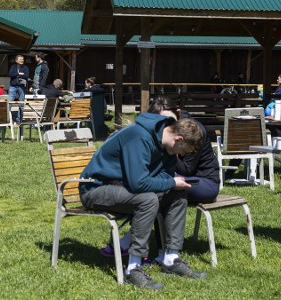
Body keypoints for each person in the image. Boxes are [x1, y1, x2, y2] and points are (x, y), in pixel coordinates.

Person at [79, 113, 207, 290]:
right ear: (178, 139)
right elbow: (139, 183)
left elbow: (159, 177)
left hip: (123, 188)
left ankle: (170, 258)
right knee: (148, 199)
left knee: (177, 195)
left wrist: (168, 183)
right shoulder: (139, 137)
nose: (182, 155)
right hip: (95, 189)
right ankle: (133, 268)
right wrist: (169, 182)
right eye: (184, 151)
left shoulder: (167, 147)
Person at [99, 96, 220, 259]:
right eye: (160, 120)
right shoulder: (152, 135)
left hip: (204, 182)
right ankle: (158, 251)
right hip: (176, 178)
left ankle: (129, 244)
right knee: (158, 190)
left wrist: (167, 150)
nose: (165, 125)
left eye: (169, 120)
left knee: (162, 189)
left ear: (177, 115)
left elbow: (187, 169)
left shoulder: (193, 132)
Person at [7, 54, 30, 123]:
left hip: (21, 87)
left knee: (21, 103)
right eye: (20, 59)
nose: (22, 61)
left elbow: (26, 75)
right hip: (13, 86)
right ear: (16, 60)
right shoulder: (13, 67)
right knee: (9, 102)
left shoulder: (25, 67)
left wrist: (17, 74)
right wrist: (19, 74)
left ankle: (19, 119)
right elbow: (10, 74)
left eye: (23, 59)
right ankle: (8, 119)